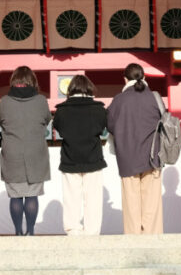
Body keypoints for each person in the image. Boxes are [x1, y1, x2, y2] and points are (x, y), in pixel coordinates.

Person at [107, 63, 164, 234]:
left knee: (131, 202)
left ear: (125, 79)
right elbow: (165, 121)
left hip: (127, 157)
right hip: (152, 156)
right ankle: (152, 239)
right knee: (152, 203)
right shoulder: (154, 97)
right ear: (144, 77)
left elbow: (110, 126)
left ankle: (133, 238)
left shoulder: (118, 100)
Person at [0, 65, 51, 235]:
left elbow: (1, 120)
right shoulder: (41, 100)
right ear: (32, 81)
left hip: (12, 153)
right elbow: (47, 119)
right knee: (32, 195)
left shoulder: (5, 101)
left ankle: (18, 231)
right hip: (35, 153)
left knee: (16, 196)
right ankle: (31, 231)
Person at [52, 74, 107, 235]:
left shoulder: (61, 110)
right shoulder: (99, 109)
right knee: (93, 198)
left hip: (70, 158)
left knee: (71, 198)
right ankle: (92, 231)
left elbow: (60, 130)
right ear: (89, 88)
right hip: (93, 158)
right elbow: (103, 127)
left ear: (71, 90)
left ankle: (73, 230)